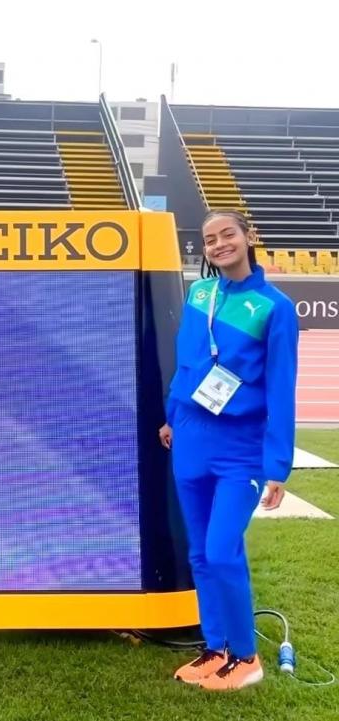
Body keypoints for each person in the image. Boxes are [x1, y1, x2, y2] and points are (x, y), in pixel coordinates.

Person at [158, 209, 299, 691]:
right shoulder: (200, 293)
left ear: (249, 237)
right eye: (210, 239)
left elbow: (282, 388)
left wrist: (278, 464)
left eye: (227, 235)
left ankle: (246, 656)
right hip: (190, 441)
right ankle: (214, 647)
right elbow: (186, 363)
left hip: (240, 449)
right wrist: (172, 416)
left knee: (222, 552)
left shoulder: (274, 306)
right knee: (199, 553)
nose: (219, 244)